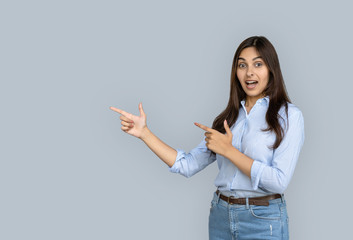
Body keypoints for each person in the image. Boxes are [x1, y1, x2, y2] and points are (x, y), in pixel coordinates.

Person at [110, 36, 304, 240]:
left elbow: (279, 182)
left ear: (271, 69)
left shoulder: (289, 116)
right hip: (221, 216)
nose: (249, 73)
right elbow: (187, 165)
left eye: (258, 64)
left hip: (263, 219)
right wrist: (145, 134)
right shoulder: (228, 118)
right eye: (242, 65)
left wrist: (229, 151)